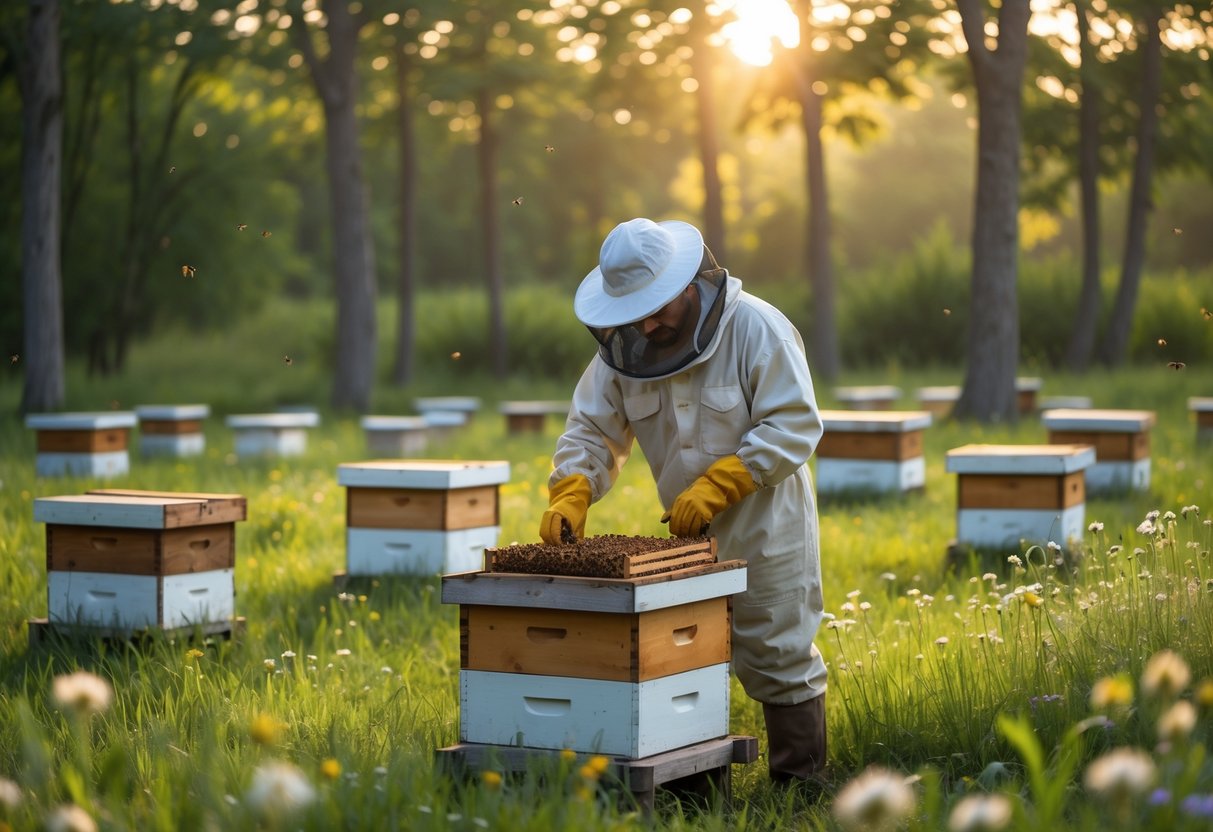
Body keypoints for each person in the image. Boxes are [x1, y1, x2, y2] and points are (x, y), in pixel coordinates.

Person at [540, 217, 827, 785]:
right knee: (684, 662)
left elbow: (793, 423)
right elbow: (591, 432)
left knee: (779, 651)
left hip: (768, 525)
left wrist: (723, 483)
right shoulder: (625, 352)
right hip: (688, 542)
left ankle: (802, 787)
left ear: (688, 284)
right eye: (634, 314)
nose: (647, 325)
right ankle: (693, 791)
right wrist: (573, 489)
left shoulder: (757, 328)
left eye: (658, 309)